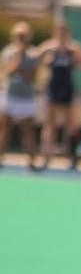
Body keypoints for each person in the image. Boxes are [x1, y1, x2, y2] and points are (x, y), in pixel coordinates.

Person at [38, 21, 81, 170]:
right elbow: (35, 60)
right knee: (50, 123)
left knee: (71, 123)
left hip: (67, 88)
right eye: (60, 31)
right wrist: (46, 61)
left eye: (65, 31)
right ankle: (46, 156)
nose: (62, 34)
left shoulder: (73, 49)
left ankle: (72, 156)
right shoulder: (49, 47)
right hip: (53, 88)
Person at [0, 21, 41, 170]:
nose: (21, 39)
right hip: (11, 95)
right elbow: (7, 71)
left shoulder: (33, 54)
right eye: (19, 36)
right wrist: (17, 61)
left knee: (29, 129)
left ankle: (32, 160)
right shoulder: (8, 52)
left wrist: (21, 69)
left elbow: (32, 76)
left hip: (26, 97)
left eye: (23, 36)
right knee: (5, 128)